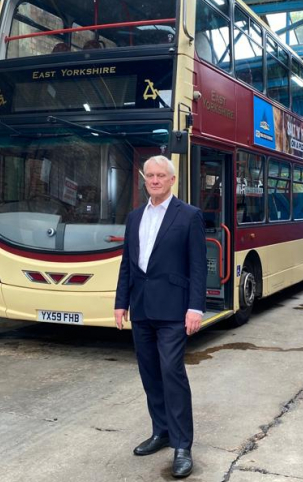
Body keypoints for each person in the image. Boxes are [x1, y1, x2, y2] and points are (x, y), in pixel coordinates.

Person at [114, 155, 206, 479]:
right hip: (141, 309)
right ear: (144, 178)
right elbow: (128, 263)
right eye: (149, 175)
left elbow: (197, 265)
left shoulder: (189, 216)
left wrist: (195, 308)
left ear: (171, 180)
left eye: (160, 176)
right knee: (150, 372)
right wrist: (120, 303)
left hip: (173, 310)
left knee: (172, 371)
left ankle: (183, 445)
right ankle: (161, 431)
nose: (154, 180)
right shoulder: (135, 217)